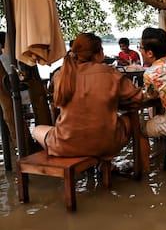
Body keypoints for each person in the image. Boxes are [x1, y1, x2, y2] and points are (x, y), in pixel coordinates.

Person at [31, 33, 150, 170]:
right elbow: (137, 97)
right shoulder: (109, 73)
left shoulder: (61, 76)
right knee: (133, 122)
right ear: (98, 54)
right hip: (105, 144)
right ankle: (139, 171)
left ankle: (76, 167)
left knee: (37, 130)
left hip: (66, 144)